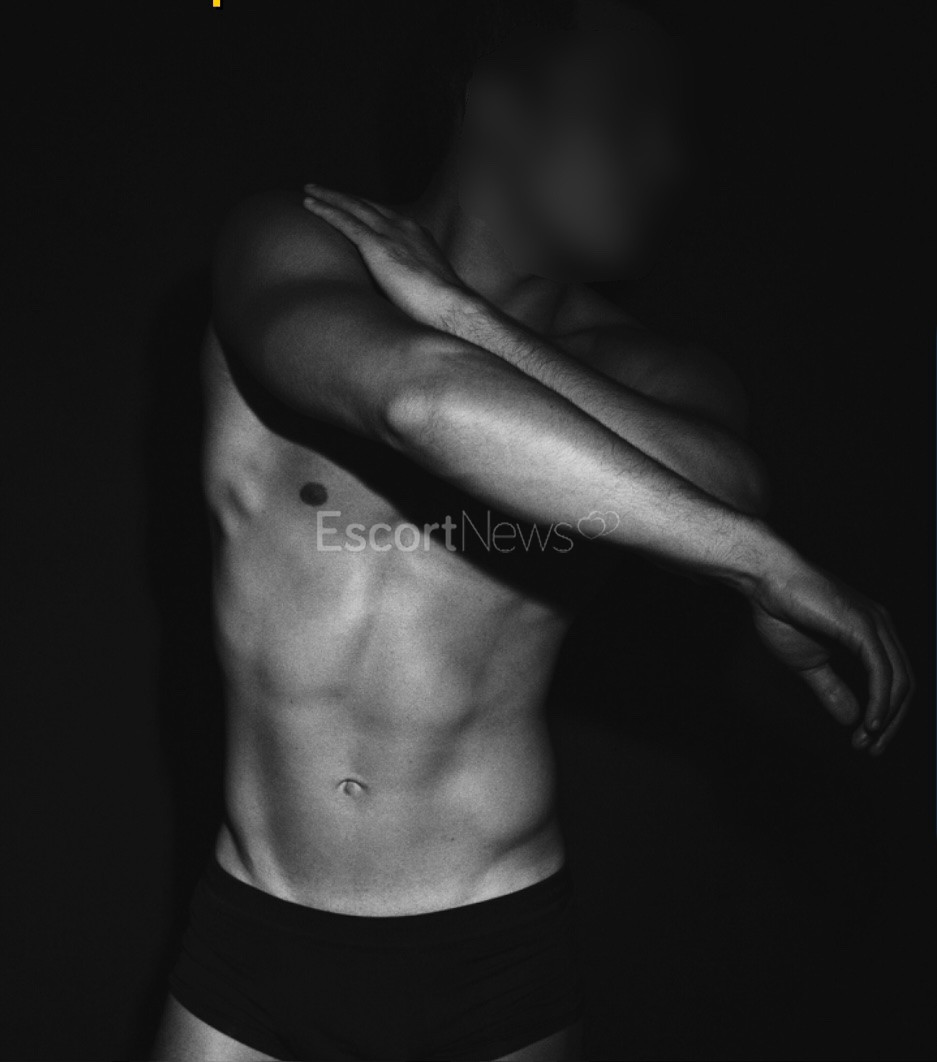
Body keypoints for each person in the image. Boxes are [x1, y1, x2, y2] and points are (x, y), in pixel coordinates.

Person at [152, 2, 914, 1059]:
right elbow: (414, 399)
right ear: (499, 103)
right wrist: (756, 564)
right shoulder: (294, 240)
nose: (668, 159)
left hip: (494, 954)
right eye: (629, 111)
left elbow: (728, 486)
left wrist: (462, 314)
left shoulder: (652, 369)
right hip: (257, 934)